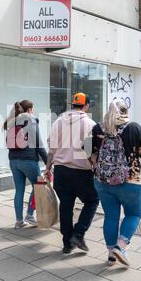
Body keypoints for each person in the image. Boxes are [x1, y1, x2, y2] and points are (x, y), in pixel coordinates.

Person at [91, 100, 141, 267]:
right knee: (134, 214)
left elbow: (86, 150)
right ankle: (120, 247)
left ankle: (110, 255)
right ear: (125, 111)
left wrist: (96, 167)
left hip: (102, 181)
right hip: (130, 181)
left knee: (111, 216)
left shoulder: (98, 128)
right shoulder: (134, 128)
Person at [45, 92, 99, 254]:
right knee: (92, 201)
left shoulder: (59, 122)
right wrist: (96, 168)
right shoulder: (90, 124)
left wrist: (48, 168)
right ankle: (79, 233)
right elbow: (90, 152)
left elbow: (52, 149)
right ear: (86, 106)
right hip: (82, 172)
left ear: (72, 105)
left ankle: (67, 243)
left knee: (66, 205)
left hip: (61, 171)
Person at [4, 100, 48, 229]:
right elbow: (39, 145)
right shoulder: (31, 121)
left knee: (19, 190)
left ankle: (19, 221)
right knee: (37, 187)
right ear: (29, 110)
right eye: (32, 109)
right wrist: (48, 163)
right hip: (28, 160)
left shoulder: (12, 121)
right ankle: (29, 214)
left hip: (13, 161)